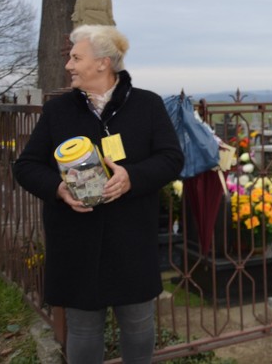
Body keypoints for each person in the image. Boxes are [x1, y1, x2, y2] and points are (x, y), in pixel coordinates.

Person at [13, 25, 184, 363]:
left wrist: (131, 177)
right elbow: (27, 166)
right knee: (83, 329)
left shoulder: (147, 105)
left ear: (103, 63)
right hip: (75, 240)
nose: (69, 65)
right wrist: (59, 189)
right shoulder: (58, 111)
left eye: (76, 58)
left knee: (138, 325)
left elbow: (171, 159)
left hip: (131, 239)